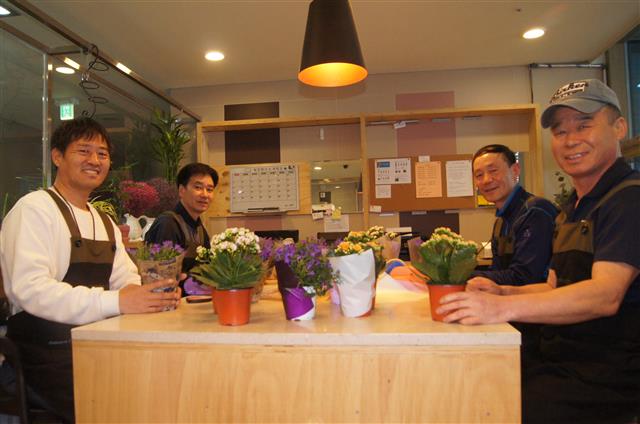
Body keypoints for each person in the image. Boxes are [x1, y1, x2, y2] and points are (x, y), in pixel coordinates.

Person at [438, 79, 640, 423]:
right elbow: (551, 286)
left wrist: (500, 306)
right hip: (558, 359)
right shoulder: (571, 209)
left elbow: (606, 295)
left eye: (584, 125)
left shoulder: (628, 198)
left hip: (607, 376)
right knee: (466, 383)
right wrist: (501, 290)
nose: (570, 139)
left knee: (487, 407)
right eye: (560, 132)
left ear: (619, 127)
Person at [0, 117, 181, 423]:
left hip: (93, 347)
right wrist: (117, 301)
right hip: (42, 360)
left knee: (160, 385)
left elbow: (125, 279)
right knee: (121, 406)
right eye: (84, 151)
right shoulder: (34, 209)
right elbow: (30, 289)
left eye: (102, 153)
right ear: (57, 156)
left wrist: (153, 294)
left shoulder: (104, 222)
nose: (95, 160)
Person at [470, 144, 557, 286]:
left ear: (515, 170)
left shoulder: (535, 211)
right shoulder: (500, 222)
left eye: (493, 171)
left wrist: (462, 277)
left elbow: (524, 278)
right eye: (479, 175)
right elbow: (498, 271)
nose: (486, 180)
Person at [144, 162, 218, 295]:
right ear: (182, 190)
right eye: (198, 187)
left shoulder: (199, 228)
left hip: (191, 300)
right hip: (168, 301)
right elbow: (162, 276)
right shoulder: (168, 223)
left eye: (209, 189)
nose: (205, 194)